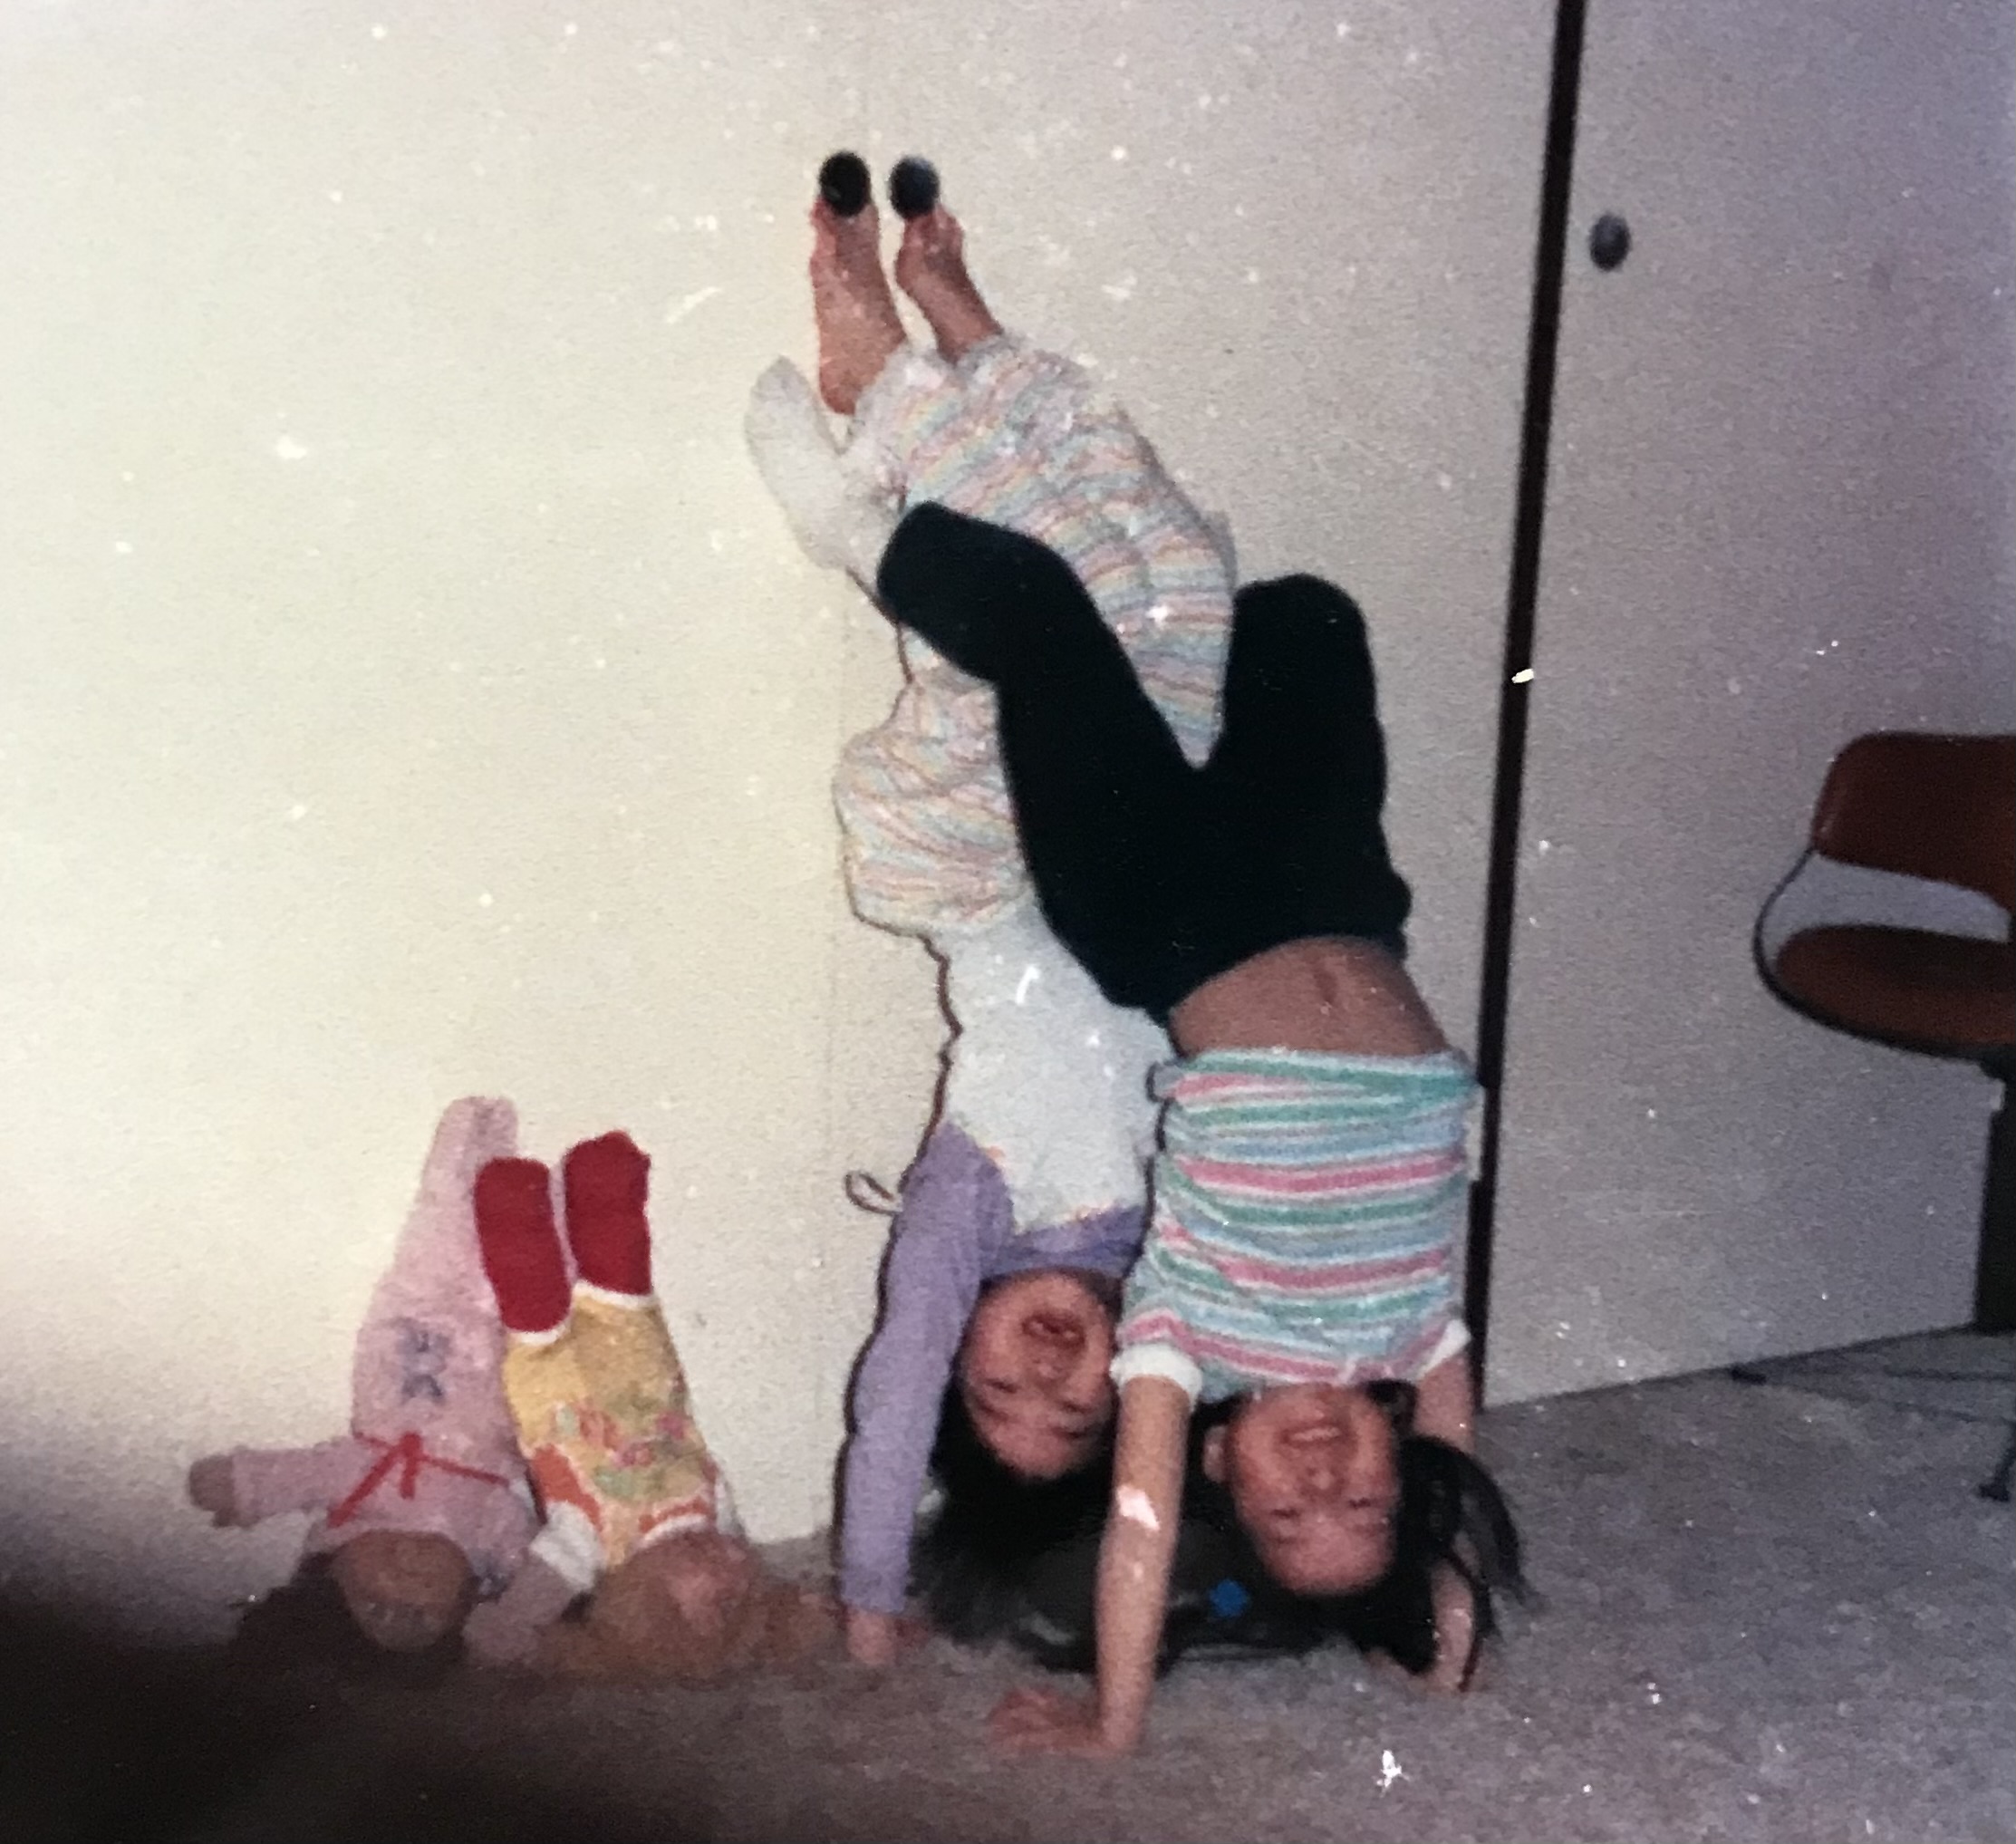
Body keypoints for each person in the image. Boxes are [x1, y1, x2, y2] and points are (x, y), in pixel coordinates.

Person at [858, 498, 1524, 1753]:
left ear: (1224, 1469)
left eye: (1287, 1515)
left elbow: (1140, 1531)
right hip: (1339, 902)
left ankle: (862, 512)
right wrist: (1446, 1651)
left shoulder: (1178, 1344)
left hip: (1162, 918)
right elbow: (1458, 1536)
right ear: (1401, 1472)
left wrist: (1113, 1723)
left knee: (1038, 618)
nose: (1322, 1479)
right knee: (1306, 617)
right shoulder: (1419, 1337)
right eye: (1363, 1507)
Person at [745, 154, 1237, 1668]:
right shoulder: (1167, 1254)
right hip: (1134, 838)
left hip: (979, 850)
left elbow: (891, 1385)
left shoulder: (971, 1203)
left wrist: (870, 1597)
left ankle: (879, 397)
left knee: (1055, 596)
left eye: (998, 1395)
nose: (1046, 1371)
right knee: (1185, 580)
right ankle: (966, 332)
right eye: (1074, 1411)